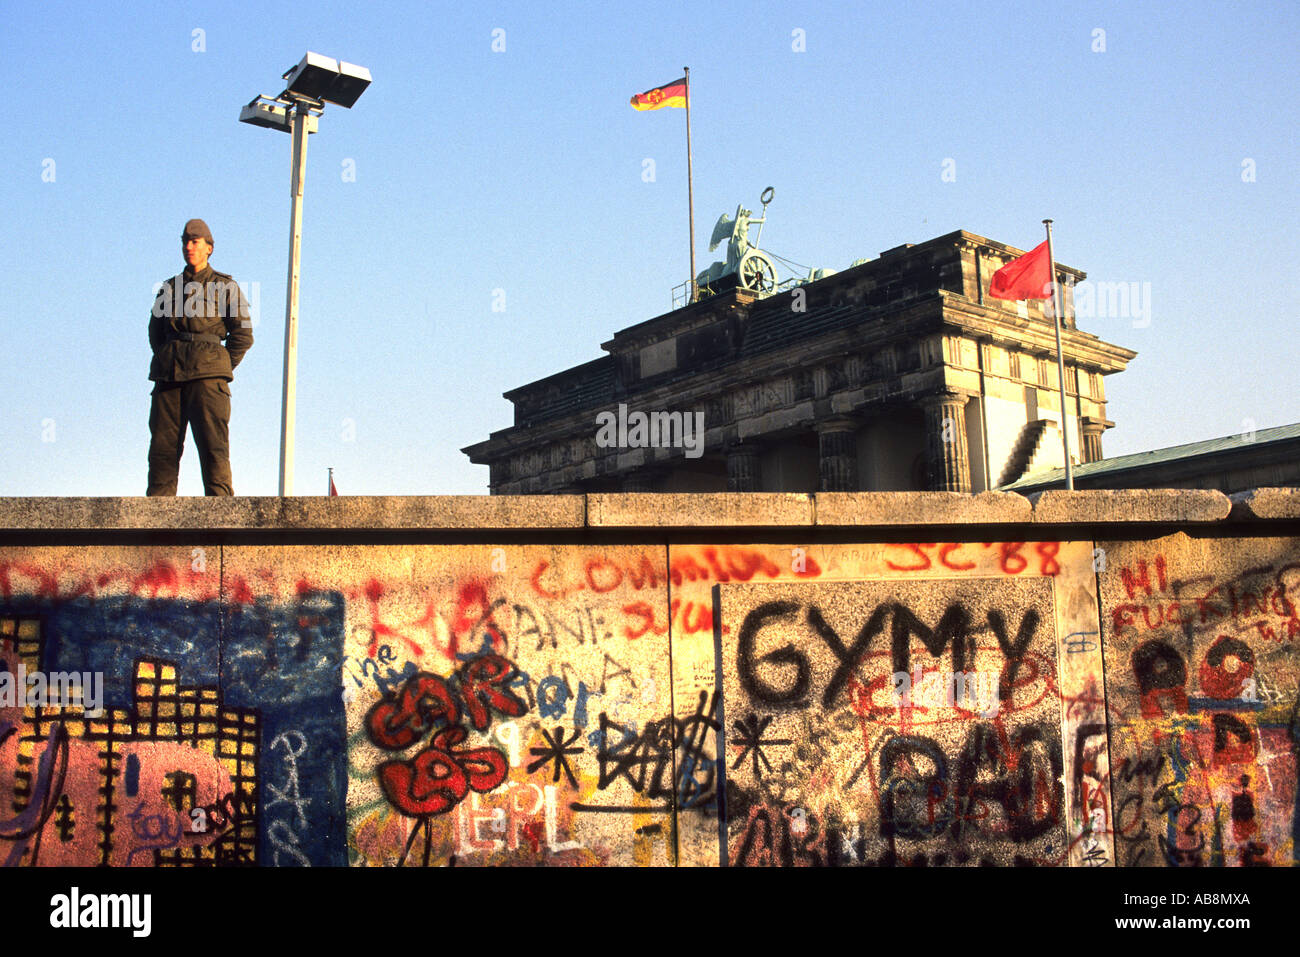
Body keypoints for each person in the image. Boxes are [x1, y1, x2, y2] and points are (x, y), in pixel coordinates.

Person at [147, 219, 253, 496]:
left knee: (214, 449)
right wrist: (169, 357)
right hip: (169, 378)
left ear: (209, 248)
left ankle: (221, 527)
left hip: (208, 380)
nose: (188, 247)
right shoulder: (168, 288)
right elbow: (155, 334)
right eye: (185, 241)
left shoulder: (226, 286)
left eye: (195, 242)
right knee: (162, 451)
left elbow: (243, 335)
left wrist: (218, 366)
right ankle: (157, 527)